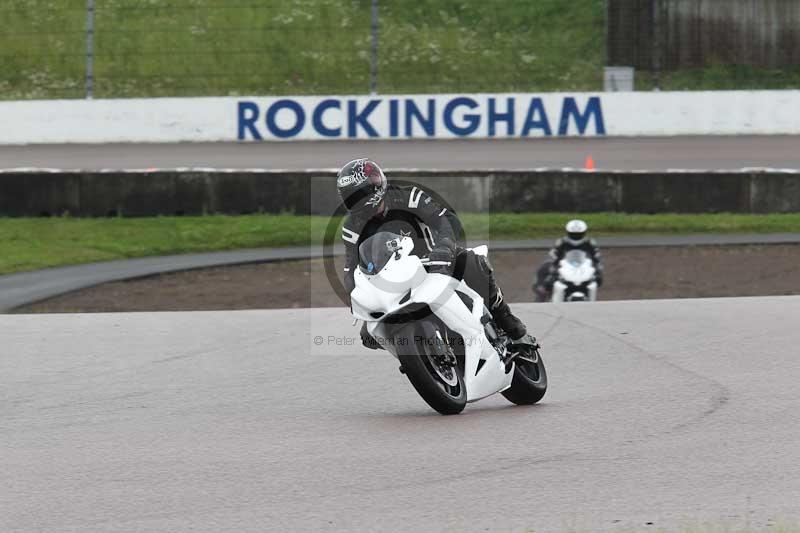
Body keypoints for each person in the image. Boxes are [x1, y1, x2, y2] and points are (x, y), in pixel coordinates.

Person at [336, 158, 527, 348]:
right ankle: (421, 357)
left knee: (472, 261)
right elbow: (351, 268)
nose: (357, 201)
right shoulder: (352, 228)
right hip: (396, 281)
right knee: (370, 334)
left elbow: (445, 219)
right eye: (351, 197)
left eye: (361, 193)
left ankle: (504, 316)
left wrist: (444, 246)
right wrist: (358, 303)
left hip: (436, 261)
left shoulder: (407, 197)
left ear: (375, 186)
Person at [542, 219, 604, 293]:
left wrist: (598, 269)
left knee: (597, 276)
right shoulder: (562, 241)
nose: (576, 236)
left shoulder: (589, 241)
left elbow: (596, 254)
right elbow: (554, 252)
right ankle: (546, 293)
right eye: (573, 234)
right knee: (550, 276)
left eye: (578, 234)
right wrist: (554, 259)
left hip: (583, 265)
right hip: (564, 265)